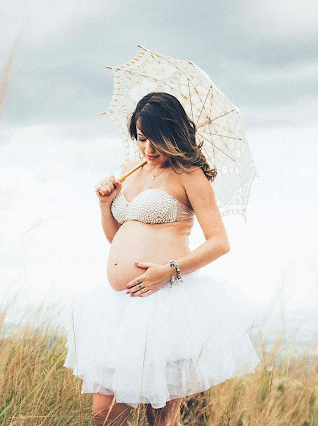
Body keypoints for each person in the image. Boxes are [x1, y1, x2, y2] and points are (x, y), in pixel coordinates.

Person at [63, 92, 261, 426]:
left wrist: (168, 272)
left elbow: (219, 242)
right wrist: (105, 203)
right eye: (142, 139)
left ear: (173, 135)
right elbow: (117, 238)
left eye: (157, 140)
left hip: (164, 302)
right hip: (120, 305)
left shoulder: (189, 175)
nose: (149, 149)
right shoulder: (129, 170)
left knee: (161, 420)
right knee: (104, 414)